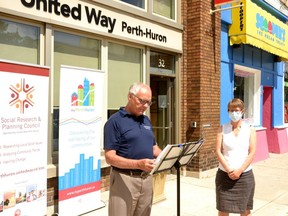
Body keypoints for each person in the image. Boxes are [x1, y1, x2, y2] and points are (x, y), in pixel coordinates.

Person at [104, 82, 162, 216]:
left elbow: (153, 148)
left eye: (149, 102)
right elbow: (109, 157)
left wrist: (169, 156)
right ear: (130, 97)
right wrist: (137, 164)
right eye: (142, 101)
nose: (146, 106)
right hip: (124, 180)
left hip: (147, 179)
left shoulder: (146, 120)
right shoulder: (114, 122)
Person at [215, 98, 256, 216]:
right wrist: (229, 169)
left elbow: (252, 153)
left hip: (244, 176)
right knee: (223, 210)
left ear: (242, 111)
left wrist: (240, 170)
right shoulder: (222, 128)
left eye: (237, 110)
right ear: (228, 111)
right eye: (231, 110)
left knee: (245, 210)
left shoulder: (250, 129)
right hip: (224, 175)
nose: (234, 113)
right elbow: (218, 151)